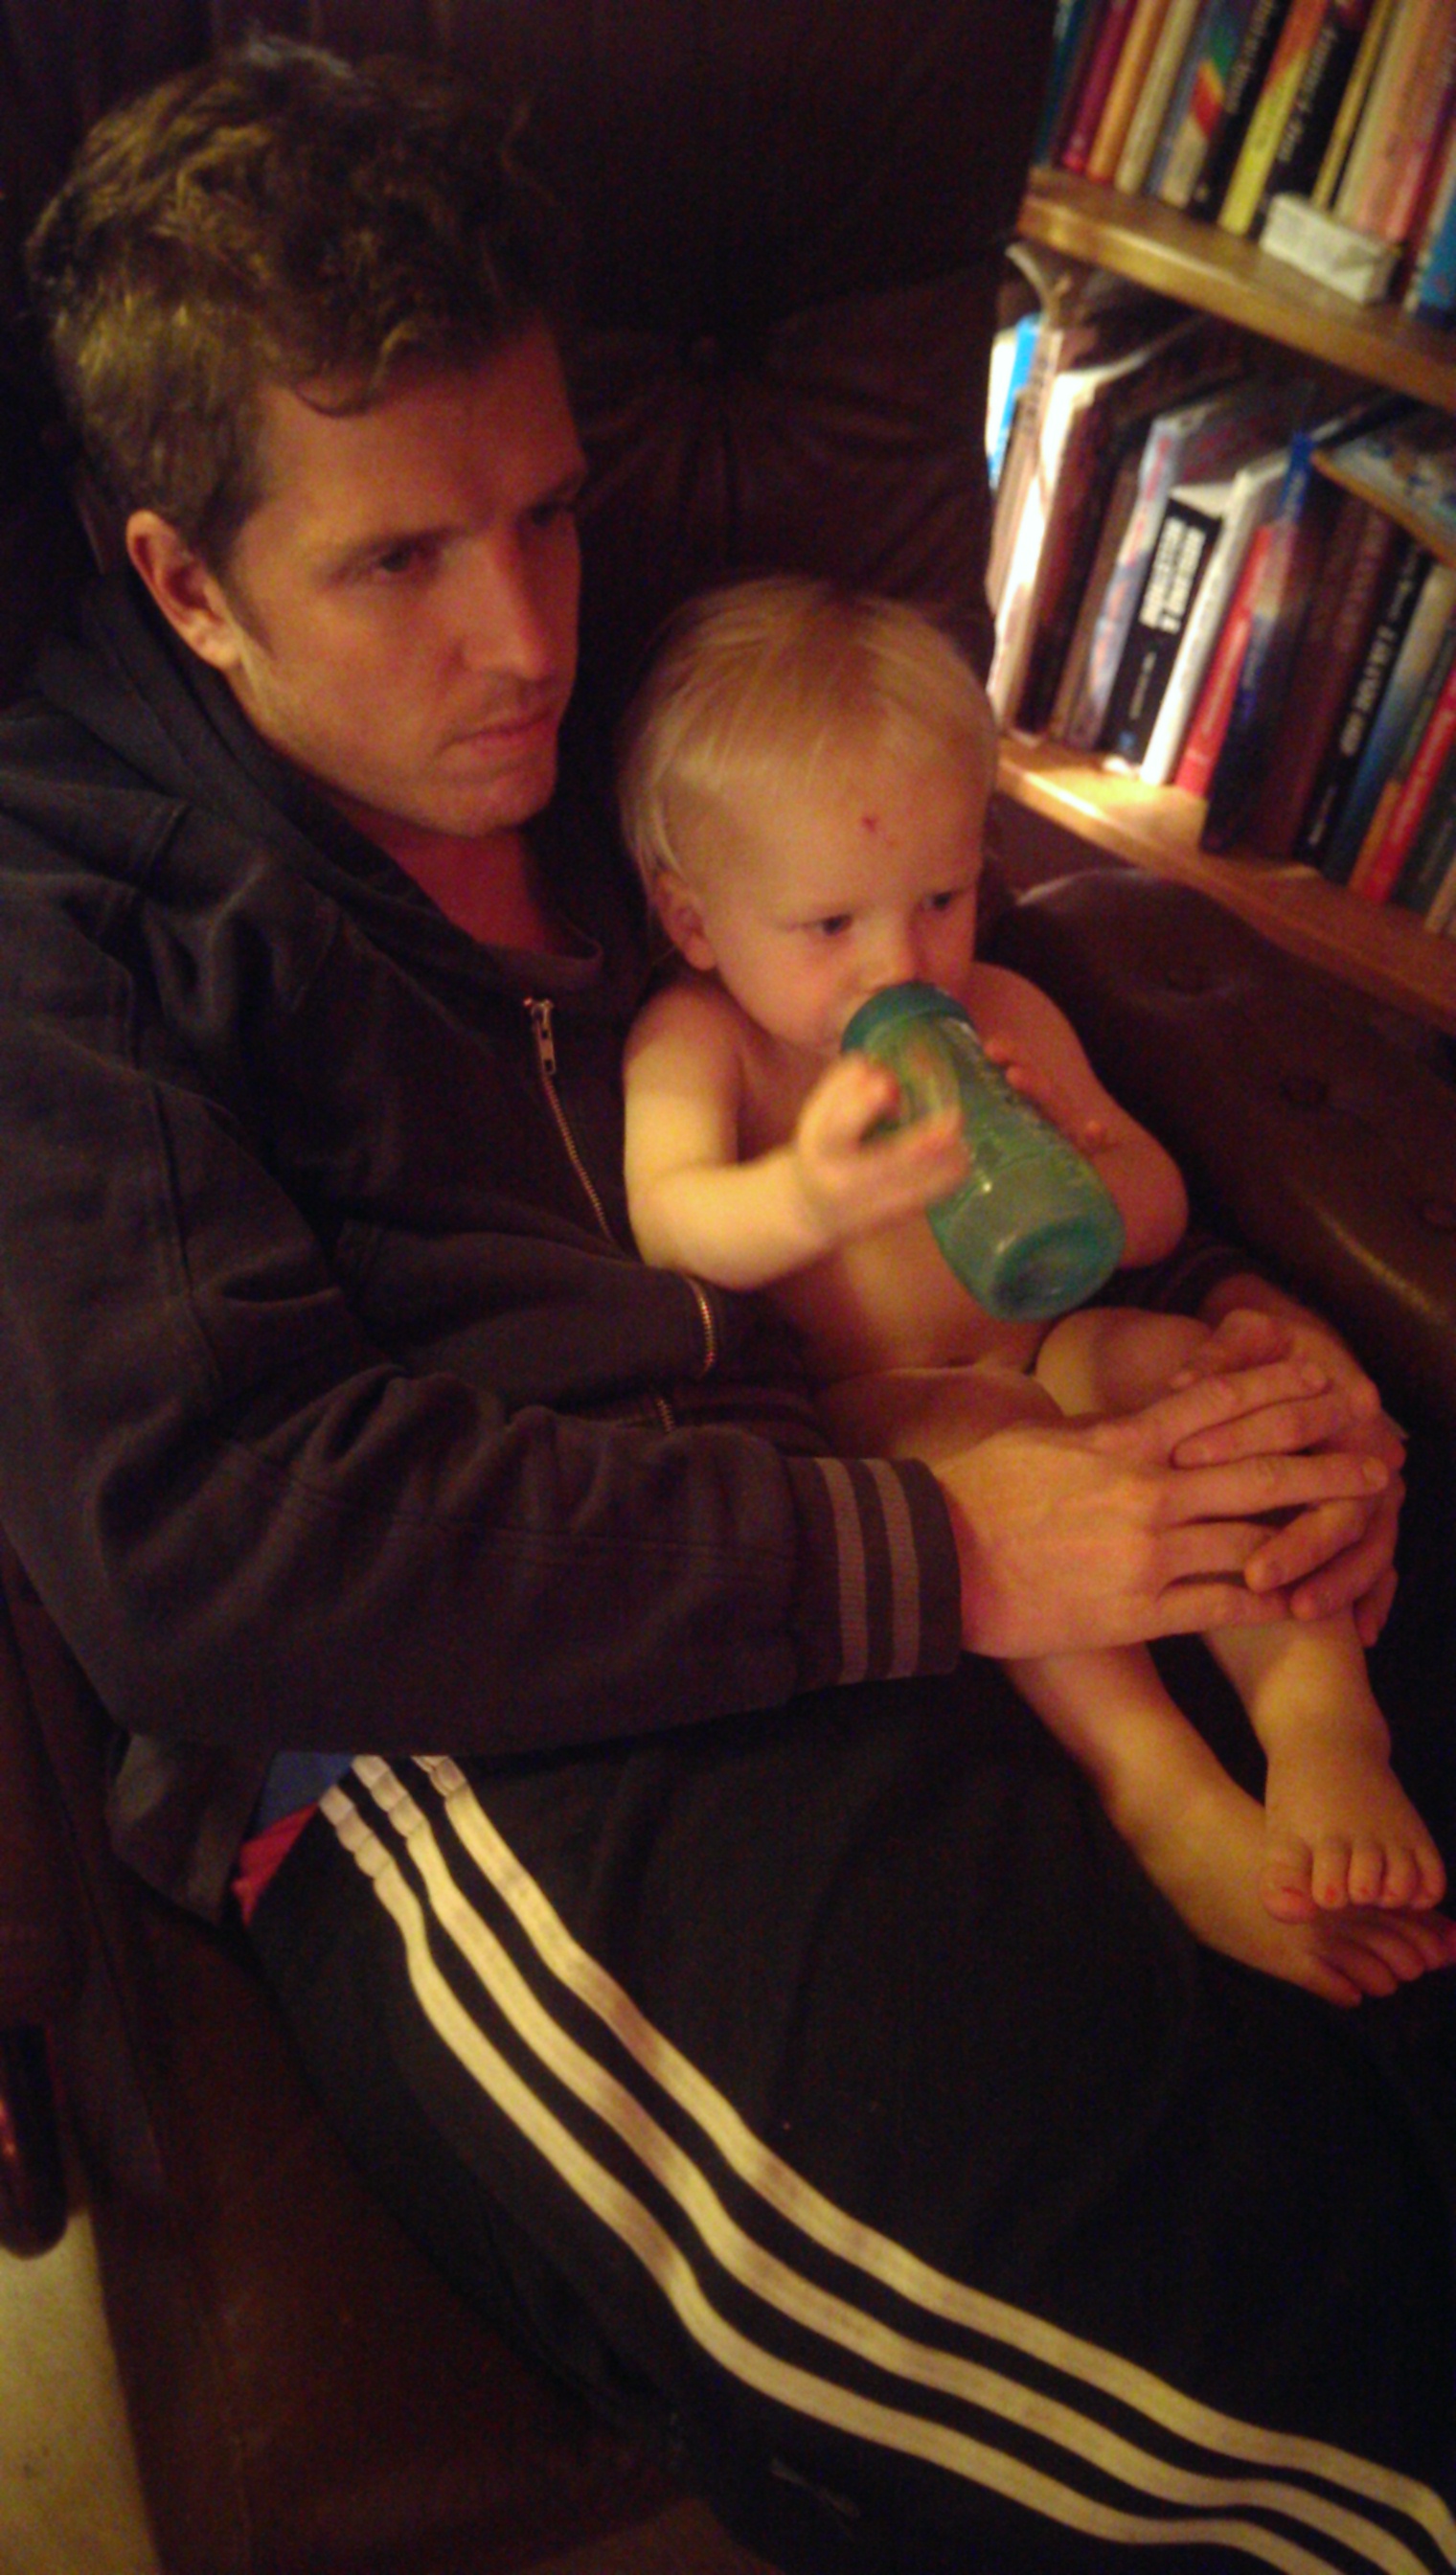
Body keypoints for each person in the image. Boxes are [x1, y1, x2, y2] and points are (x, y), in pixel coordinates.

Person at [3, 35, 1454, 2573]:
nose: (526, 640)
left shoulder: (659, 705)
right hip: (477, 1703)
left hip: (935, 1419)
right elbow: (219, 1546)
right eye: (398, 563)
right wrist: (956, 1554)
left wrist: (1226, 1329)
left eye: (549, 512)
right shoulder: (72, 930)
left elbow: (952, 1012)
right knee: (1296, 2362)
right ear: (187, 581)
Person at [618, 575, 1448, 2004]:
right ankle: (1163, 1790)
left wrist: (1074, 1150)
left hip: (1056, 1335)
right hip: (887, 1401)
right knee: (980, 1452)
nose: (903, 963)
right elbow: (671, 1222)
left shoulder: (1001, 1012)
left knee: (1208, 1391)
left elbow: (1155, 1207)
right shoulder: (701, 1044)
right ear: (695, 921)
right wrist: (809, 1195)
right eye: (830, 925)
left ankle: (1321, 1718)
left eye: (940, 899)